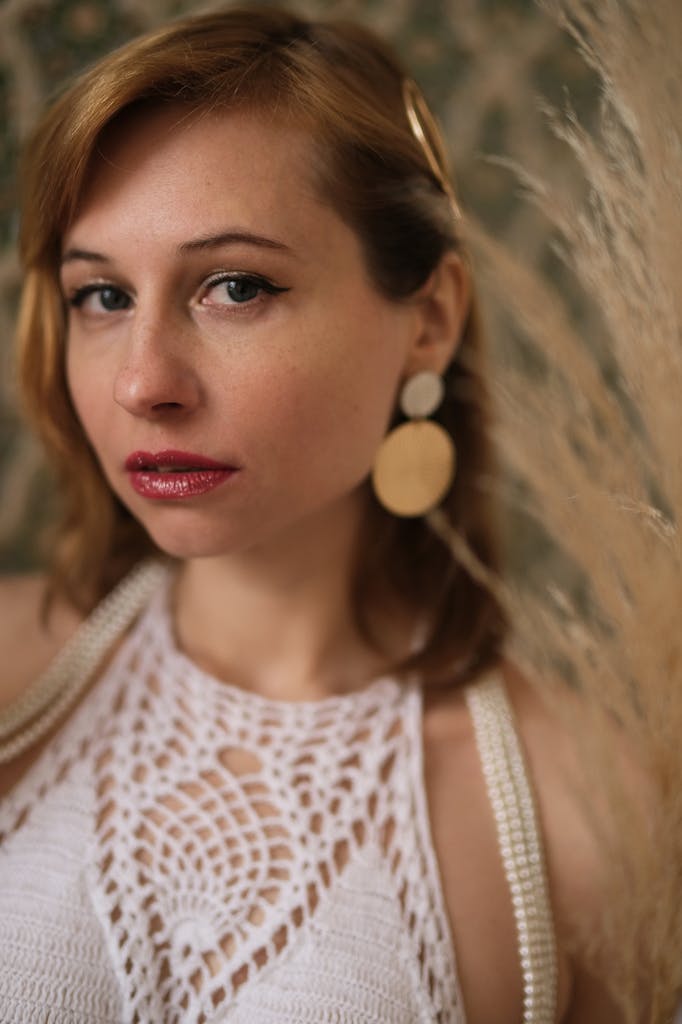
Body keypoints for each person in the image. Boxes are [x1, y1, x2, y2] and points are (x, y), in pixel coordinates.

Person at [0, 6, 625, 1022]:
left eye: (235, 286)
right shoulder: (12, 682)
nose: (143, 383)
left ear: (427, 320)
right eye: (102, 296)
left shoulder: (586, 812)